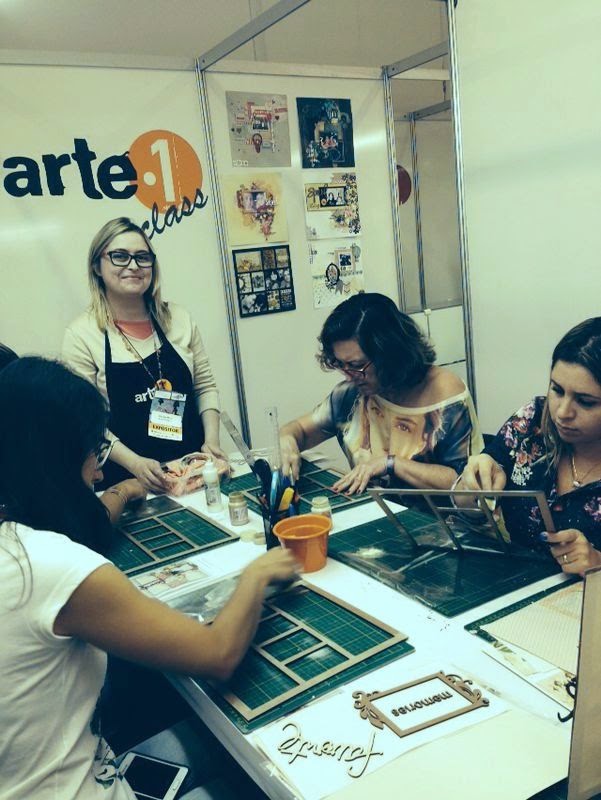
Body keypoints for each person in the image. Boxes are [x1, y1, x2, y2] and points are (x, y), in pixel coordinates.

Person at [0, 356, 298, 800]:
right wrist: (256, 575)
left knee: (210, 747)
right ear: (56, 457)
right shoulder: (47, 566)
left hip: (67, 764)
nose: (100, 471)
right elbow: (216, 654)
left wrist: (123, 491)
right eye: (94, 451)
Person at [62, 217, 226, 493]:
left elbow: (205, 387)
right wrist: (136, 464)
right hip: (129, 485)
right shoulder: (82, 335)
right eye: (119, 256)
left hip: (192, 475)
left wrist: (211, 441)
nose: (133, 266)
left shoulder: (179, 319)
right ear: (97, 267)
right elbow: (86, 421)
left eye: (142, 257)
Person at [280, 293, 483, 493]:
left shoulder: (445, 392)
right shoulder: (350, 395)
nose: (349, 377)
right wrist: (287, 441)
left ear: (389, 355)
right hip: (377, 510)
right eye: (339, 364)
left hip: (441, 515)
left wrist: (391, 464)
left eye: (356, 365)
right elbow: (299, 430)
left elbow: (467, 484)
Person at [458, 317, 601, 576]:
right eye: (557, 390)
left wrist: (597, 563)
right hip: (513, 583)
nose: (563, 412)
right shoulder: (532, 422)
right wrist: (472, 484)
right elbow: (466, 507)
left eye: (586, 402)